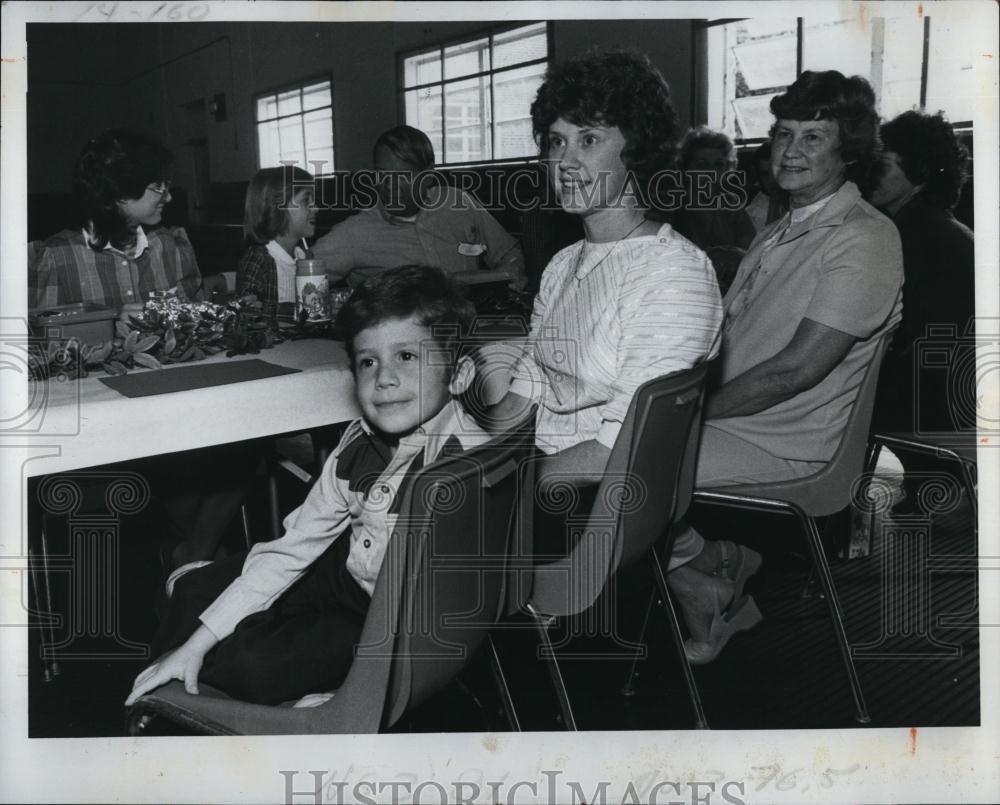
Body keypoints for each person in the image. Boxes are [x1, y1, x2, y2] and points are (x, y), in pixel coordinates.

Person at [125, 265, 491, 707]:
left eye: (407, 357)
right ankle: (160, 694)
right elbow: (295, 545)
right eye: (367, 361)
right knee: (193, 595)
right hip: (345, 568)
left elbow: (447, 619)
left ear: (459, 374)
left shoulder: (464, 471)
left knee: (249, 664)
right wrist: (192, 646)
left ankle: (202, 709)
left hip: (389, 619)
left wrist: (351, 694)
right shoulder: (359, 440)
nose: (384, 378)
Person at [484, 49, 746, 642]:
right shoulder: (561, 265)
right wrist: (465, 450)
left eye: (590, 140)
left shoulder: (673, 273)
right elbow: (525, 394)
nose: (565, 162)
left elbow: (617, 453)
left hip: (595, 502)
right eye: (555, 142)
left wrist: (498, 486)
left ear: (636, 151)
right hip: (551, 479)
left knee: (405, 523)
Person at [666, 70, 903, 662]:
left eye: (813, 138)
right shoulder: (781, 228)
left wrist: (688, 415)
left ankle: (701, 580)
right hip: (738, 423)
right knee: (596, 436)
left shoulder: (865, 238)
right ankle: (718, 564)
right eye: (782, 135)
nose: (790, 151)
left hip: (788, 443)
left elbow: (794, 370)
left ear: (847, 149)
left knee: (614, 466)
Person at [867, 111, 975, 512]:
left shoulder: (910, 234)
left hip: (935, 403)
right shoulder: (941, 227)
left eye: (885, 164)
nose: (871, 174)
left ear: (922, 171)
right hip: (958, 396)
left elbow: (912, 338)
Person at [312, 125, 526, 290]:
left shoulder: (457, 204)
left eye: (403, 175)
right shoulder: (355, 233)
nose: (389, 185)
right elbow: (300, 272)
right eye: (381, 174)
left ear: (428, 176)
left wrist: (508, 276)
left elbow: (508, 251)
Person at [30, 129, 204, 307]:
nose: (168, 197)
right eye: (158, 186)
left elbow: (196, 325)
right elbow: (46, 333)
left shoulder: (171, 246)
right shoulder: (59, 257)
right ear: (121, 191)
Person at [669, 126, 757, 294]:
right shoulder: (673, 206)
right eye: (701, 164)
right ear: (685, 167)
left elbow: (752, 252)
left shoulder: (731, 204)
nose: (710, 172)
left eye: (718, 164)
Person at [236, 165, 318, 327]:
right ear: (276, 208)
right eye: (306, 200)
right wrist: (295, 312)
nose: (316, 208)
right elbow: (246, 316)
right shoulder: (259, 260)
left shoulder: (304, 257)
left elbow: (314, 312)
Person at [743, 139, 788, 233]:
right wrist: (774, 205)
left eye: (777, 172)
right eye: (765, 174)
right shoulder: (755, 213)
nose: (771, 180)